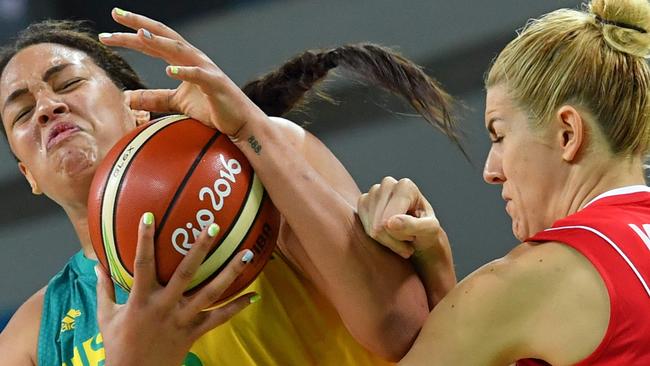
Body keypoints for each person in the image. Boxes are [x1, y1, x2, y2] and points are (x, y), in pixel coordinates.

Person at [0, 8, 461, 366]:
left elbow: (399, 328)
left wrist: (251, 131)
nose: (46, 107)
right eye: (22, 112)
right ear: (29, 177)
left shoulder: (257, 165)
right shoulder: (32, 336)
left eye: (69, 83)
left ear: (136, 108)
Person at [358, 0, 650, 364]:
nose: (490, 171)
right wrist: (436, 266)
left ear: (567, 134)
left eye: (499, 135)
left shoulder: (540, 280)